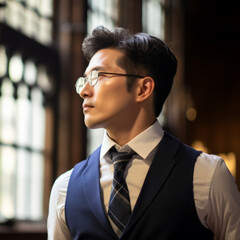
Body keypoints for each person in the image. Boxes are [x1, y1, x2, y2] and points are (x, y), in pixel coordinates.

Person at [47, 25, 240, 240]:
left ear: (143, 89)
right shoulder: (65, 188)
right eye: (84, 80)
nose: (84, 91)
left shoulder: (207, 175)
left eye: (98, 76)